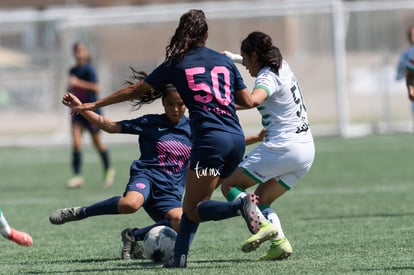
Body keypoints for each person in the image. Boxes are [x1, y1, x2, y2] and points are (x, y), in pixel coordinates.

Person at [72, 10, 276, 268]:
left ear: (182, 33)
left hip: (211, 144)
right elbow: (247, 101)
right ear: (207, 35)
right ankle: (179, 258)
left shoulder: (177, 63)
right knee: (193, 202)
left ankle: (241, 206)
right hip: (234, 140)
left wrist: (94, 104)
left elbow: (136, 90)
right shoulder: (223, 62)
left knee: (193, 208)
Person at [49, 71, 192, 260]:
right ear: (163, 103)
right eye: (170, 104)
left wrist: (242, 145)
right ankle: (80, 212)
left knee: (181, 221)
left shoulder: (195, 129)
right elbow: (111, 126)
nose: (175, 109)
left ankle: (133, 236)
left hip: (170, 191)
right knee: (130, 204)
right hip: (146, 178)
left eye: (180, 104)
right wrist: (82, 109)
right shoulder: (151, 122)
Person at [222, 31, 315, 261]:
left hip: (283, 147)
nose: (245, 65)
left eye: (245, 59)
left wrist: (219, 103)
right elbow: (254, 90)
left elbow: (253, 100)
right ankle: (280, 244)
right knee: (262, 199)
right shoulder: (281, 64)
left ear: (255, 55)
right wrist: (232, 57)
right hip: (306, 150)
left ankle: (262, 226)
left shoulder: (266, 77)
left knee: (229, 185)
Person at [66, 41, 115, 188]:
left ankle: (108, 169)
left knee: (97, 143)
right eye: (76, 50)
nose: (78, 52)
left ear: (86, 52)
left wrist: (78, 82)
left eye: (81, 50)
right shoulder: (72, 70)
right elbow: (72, 87)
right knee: (76, 142)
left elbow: (96, 87)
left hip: (90, 111)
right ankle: (77, 175)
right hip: (77, 111)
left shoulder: (89, 70)